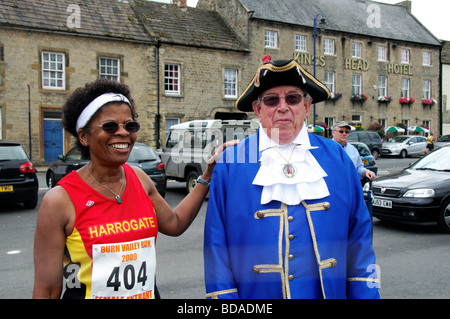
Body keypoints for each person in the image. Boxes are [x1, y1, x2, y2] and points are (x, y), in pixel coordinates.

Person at [33, 79, 236, 299]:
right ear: (83, 136)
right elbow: (48, 290)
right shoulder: (60, 200)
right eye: (110, 126)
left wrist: (207, 175)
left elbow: (174, 223)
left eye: (130, 126)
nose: (123, 133)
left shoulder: (139, 178)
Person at [204, 58, 380, 299]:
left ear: (307, 106)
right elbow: (216, 250)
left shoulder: (337, 158)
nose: (283, 107)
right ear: (258, 109)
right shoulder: (231, 164)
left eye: (293, 98)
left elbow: (359, 241)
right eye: (271, 100)